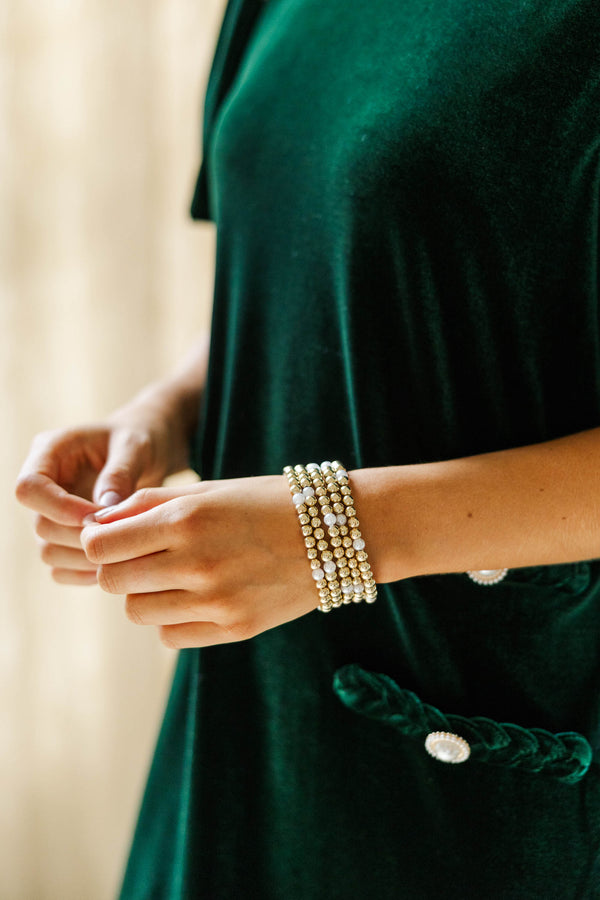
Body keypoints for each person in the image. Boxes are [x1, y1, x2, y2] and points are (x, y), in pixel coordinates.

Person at [16, 0, 600, 896]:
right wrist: (168, 413)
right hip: (249, 715)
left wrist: (329, 532)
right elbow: (322, 259)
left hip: (477, 763)